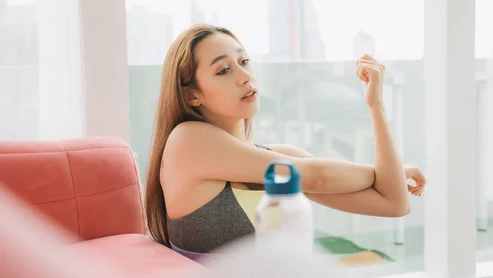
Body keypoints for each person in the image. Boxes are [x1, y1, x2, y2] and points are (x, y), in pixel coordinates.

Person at [145, 24, 426, 259]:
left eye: (243, 62)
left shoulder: (277, 157)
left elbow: (393, 203)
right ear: (193, 94)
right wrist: (395, 173)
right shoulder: (188, 140)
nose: (244, 77)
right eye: (223, 71)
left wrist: (376, 105)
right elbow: (321, 177)